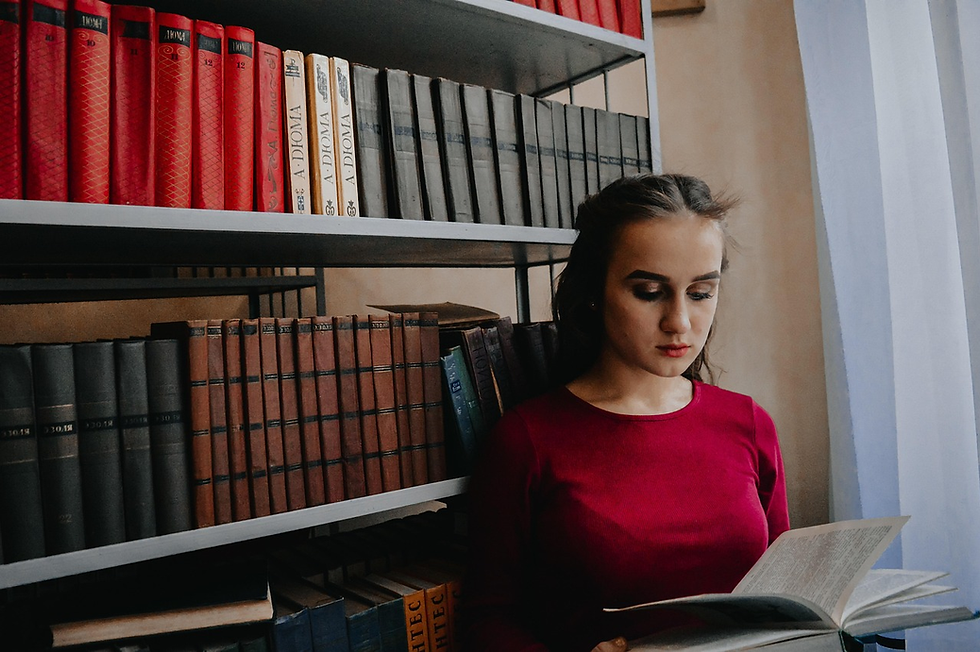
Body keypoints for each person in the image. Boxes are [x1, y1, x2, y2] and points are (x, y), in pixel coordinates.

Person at [460, 173, 790, 652]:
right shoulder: (527, 441)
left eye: (700, 293)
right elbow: (487, 621)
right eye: (649, 292)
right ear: (596, 291)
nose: (679, 322)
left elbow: (787, 590)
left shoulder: (749, 423)